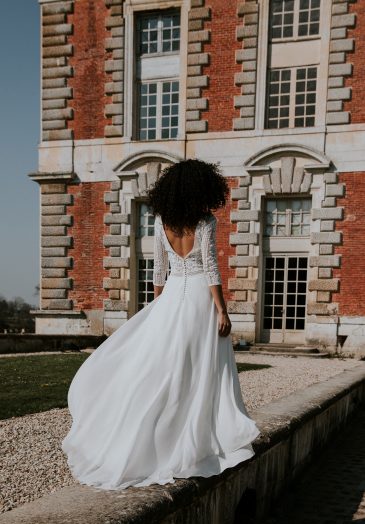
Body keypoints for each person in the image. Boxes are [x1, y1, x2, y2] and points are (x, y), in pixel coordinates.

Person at [61, 158, 261, 490]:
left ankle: (157, 433)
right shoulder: (205, 221)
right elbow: (211, 267)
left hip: (170, 298)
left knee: (164, 365)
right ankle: (198, 436)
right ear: (200, 189)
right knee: (202, 369)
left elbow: (159, 268)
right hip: (199, 297)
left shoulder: (161, 220)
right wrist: (222, 310)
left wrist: (157, 303)